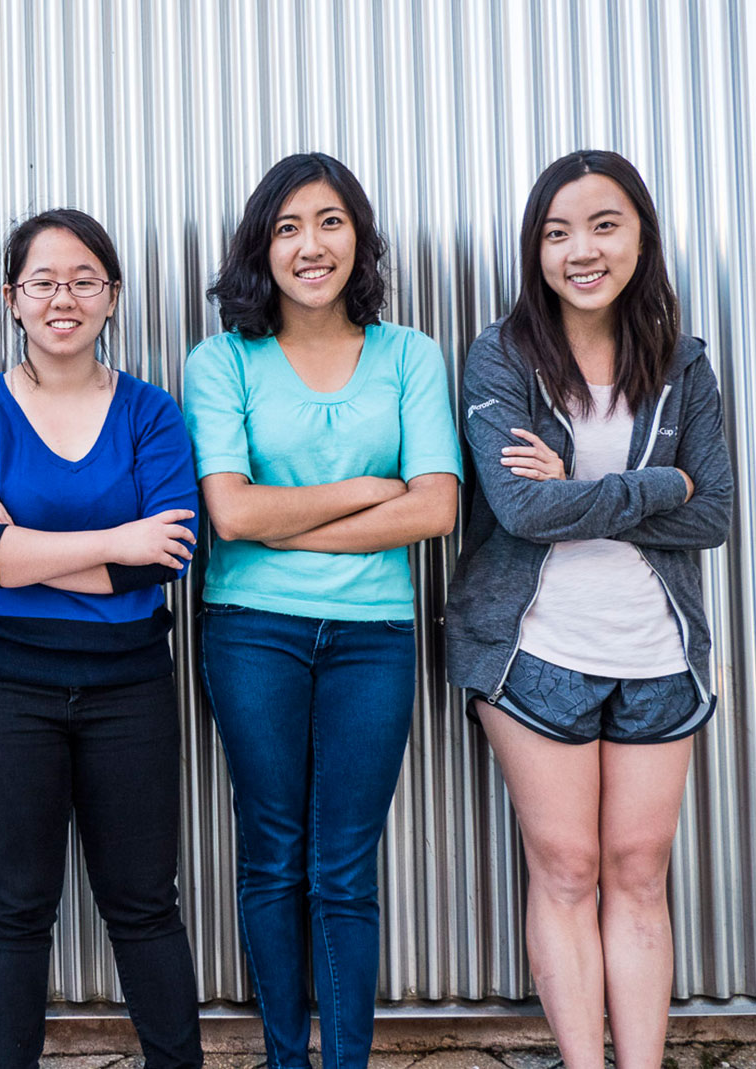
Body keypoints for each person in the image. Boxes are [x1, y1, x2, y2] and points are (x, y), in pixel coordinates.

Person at [445, 150, 732, 1069]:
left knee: (639, 872)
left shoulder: (683, 364)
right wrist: (659, 483)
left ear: (639, 233)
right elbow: (524, 509)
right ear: (534, 248)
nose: (580, 249)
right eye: (556, 231)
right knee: (566, 869)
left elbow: (717, 512)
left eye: (603, 225)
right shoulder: (501, 356)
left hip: (658, 649)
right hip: (533, 647)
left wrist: (587, 487)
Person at [183, 153, 460, 1069]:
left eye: (330, 221)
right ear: (263, 244)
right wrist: (363, 491)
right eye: (290, 225)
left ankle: (342, 1060)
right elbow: (229, 512)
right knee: (272, 853)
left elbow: (433, 508)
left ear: (359, 237)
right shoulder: (220, 360)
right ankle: (281, 1058)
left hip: (372, 637)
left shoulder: (409, 354)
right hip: (249, 631)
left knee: (343, 866)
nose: (311, 245)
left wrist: (282, 522)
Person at [0, 208, 203, 1069]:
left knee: (142, 901)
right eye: (42, 281)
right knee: (13, 906)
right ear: (12, 299)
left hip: (129, 686)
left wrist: (29, 552)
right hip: (4, 687)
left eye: (84, 279)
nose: (63, 297)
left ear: (112, 295)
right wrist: (108, 541)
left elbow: (165, 554)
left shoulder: (149, 412)